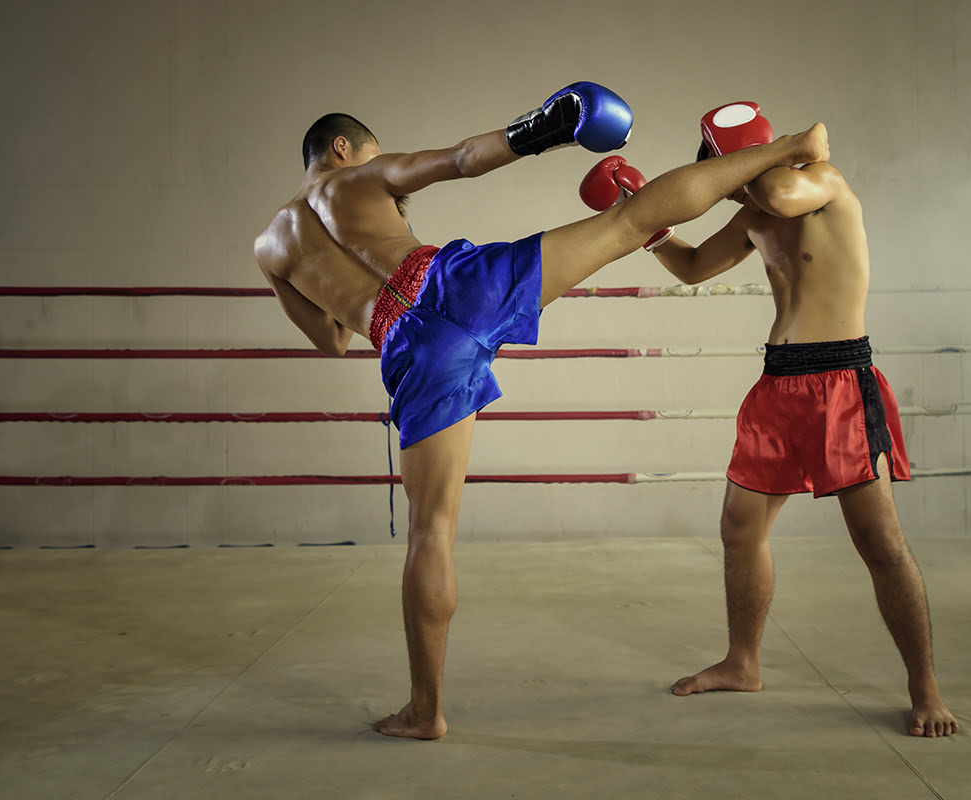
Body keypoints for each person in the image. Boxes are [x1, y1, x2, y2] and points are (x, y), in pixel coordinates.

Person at [253, 84, 831, 740]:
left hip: (406, 345)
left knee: (430, 532)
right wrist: (545, 130)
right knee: (628, 222)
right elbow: (465, 158)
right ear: (343, 148)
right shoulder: (358, 178)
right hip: (451, 280)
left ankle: (425, 711)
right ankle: (789, 146)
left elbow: (330, 341)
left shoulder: (270, 248)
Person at [588, 101, 958, 738]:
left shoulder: (818, 185)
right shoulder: (754, 214)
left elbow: (781, 189)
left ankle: (925, 688)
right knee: (739, 527)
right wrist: (651, 228)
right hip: (778, 387)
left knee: (879, 543)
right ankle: (743, 661)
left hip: (841, 382)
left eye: (724, 170)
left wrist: (754, 157)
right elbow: (695, 267)